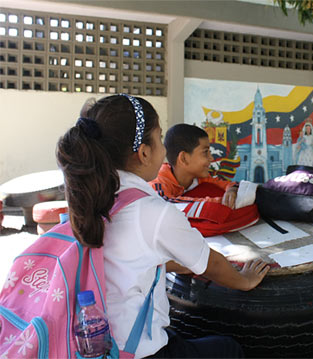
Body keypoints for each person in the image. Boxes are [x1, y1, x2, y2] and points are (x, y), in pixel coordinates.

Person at [56, 94, 269, 358]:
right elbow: (211, 264)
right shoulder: (153, 212)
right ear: (144, 153)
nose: (163, 148)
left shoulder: (91, 197)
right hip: (137, 351)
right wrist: (244, 281)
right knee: (229, 349)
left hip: (93, 342)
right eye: (159, 137)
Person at [150, 124, 239, 209]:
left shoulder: (199, 177)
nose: (211, 158)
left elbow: (230, 184)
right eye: (205, 152)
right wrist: (221, 202)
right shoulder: (159, 181)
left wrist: (232, 190)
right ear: (184, 158)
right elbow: (167, 203)